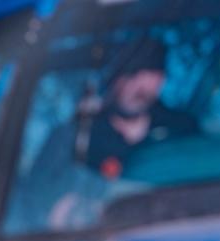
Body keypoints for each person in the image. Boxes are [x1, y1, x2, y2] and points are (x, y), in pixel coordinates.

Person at [31, 38, 200, 229]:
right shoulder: (72, 139)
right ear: (110, 79)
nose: (134, 83)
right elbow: (32, 205)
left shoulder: (183, 132)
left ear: (161, 79)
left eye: (146, 72)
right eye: (127, 73)